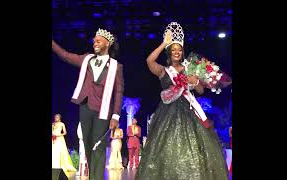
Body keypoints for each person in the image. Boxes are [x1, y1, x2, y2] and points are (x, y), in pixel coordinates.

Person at [135, 22, 229, 180]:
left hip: (189, 111)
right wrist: (164, 43)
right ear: (169, 53)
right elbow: (149, 61)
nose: (177, 52)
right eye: (173, 50)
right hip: (167, 114)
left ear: (182, 52)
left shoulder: (189, 68)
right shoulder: (163, 71)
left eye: (179, 50)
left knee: (193, 146)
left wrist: (196, 81)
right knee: (166, 147)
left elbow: (199, 91)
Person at [52, 28, 124, 180]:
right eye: (94, 41)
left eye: (98, 41)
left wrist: (116, 116)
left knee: (99, 147)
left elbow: (118, 92)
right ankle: (93, 176)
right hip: (85, 107)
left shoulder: (116, 67)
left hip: (103, 111)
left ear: (108, 43)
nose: (95, 44)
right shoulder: (87, 59)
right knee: (89, 146)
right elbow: (65, 55)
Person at [52, 114, 77, 179]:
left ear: (60, 118)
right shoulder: (53, 124)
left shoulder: (62, 124)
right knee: (53, 151)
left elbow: (65, 132)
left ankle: (60, 165)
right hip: (53, 138)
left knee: (59, 151)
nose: (56, 118)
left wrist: (59, 134)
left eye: (57, 117)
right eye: (55, 117)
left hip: (60, 139)